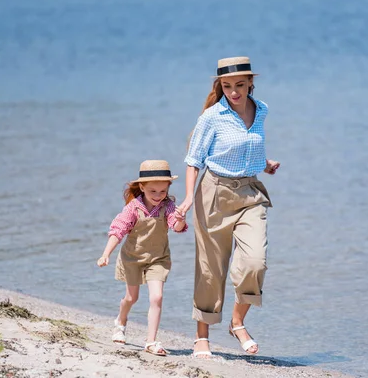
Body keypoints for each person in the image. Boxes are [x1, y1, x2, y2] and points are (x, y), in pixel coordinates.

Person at [176, 56, 280, 358]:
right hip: (214, 195)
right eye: (227, 85)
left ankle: (237, 322)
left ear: (250, 84)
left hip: (250, 192)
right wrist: (186, 199)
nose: (233, 91)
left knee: (255, 262)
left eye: (239, 85)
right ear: (220, 86)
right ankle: (202, 337)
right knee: (210, 269)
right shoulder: (212, 116)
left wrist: (265, 163)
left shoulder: (261, 111)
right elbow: (194, 160)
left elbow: (249, 145)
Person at [97, 160, 187, 356]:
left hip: (158, 258)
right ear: (142, 187)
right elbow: (118, 230)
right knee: (132, 297)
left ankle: (151, 341)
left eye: (162, 191)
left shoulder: (169, 206)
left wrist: (180, 220)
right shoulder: (133, 207)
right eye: (153, 191)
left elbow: (176, 227)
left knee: (157, 297)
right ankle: (121, 321)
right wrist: (106, 254)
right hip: (133, 258)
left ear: (168, 189)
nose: (158, 196)